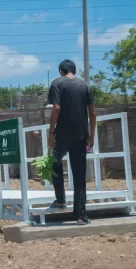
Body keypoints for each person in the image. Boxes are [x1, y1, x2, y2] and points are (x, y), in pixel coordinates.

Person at [46, 59, 96, 225]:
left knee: (54, 162)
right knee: (79, 177)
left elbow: (56, 108)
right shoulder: (85, 86)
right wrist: (92, 135)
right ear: (74, 71)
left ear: (61, 71)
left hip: (63, 134)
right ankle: (81, 215)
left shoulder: (56, 83)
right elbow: (93, 112)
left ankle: (60, 200)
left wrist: (51, 131)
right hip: (81, 135)